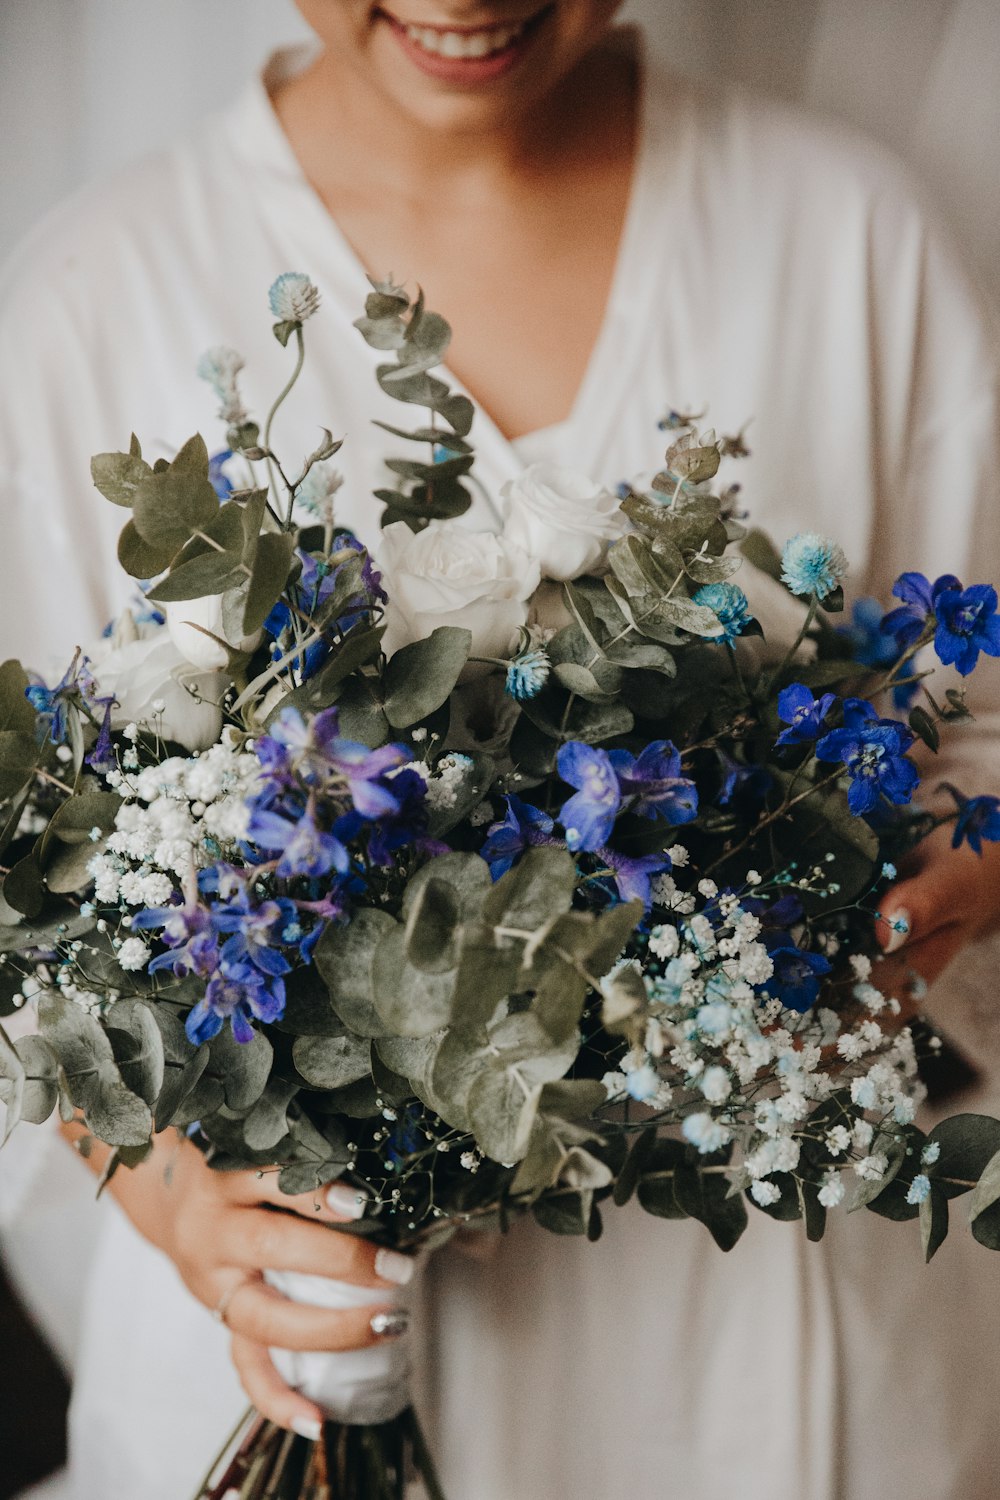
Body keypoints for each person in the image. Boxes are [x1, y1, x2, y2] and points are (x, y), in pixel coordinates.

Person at [2, 4, 1000, 1497]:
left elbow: (974, 724)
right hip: (309, 1325)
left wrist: (922, 894)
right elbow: (24, 872)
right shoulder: (94, 288)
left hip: (768, 1335)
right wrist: (168, 1201)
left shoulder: (848, 233)